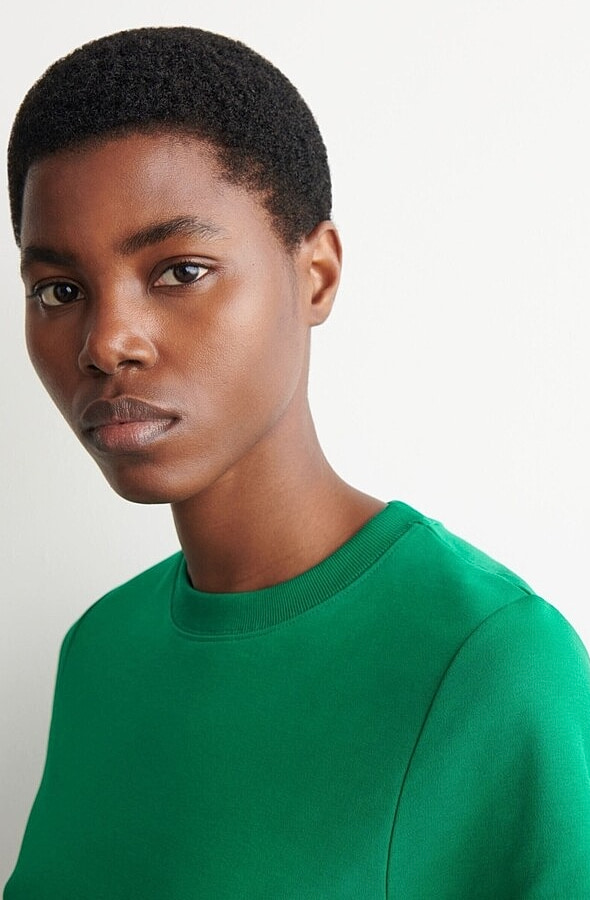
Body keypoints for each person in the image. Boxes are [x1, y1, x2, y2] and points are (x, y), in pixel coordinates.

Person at [4, 26, 590, 899]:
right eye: (60, 290)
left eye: (180, 271)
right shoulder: (100, 652)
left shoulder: (491, 663)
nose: (106, 342)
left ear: (315, 275)